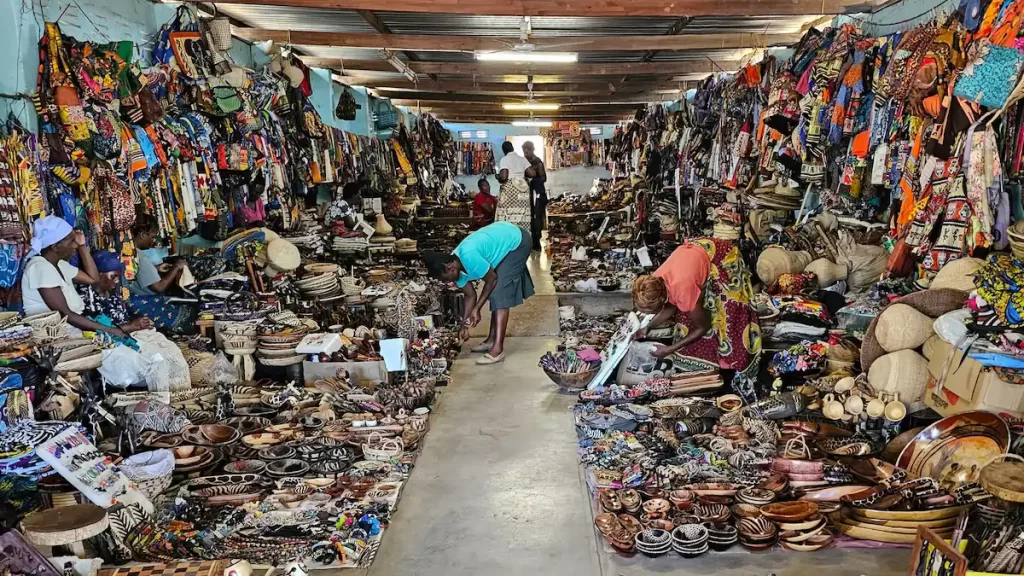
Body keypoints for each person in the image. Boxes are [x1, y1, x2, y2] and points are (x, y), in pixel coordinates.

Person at [631, 238, 761, 374]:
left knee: (728, 314)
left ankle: (733, 364)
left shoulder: (682, 288)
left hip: (723, 257)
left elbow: (703, 327)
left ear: (661, 299)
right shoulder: (654, 282)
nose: (651, 314)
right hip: (698, 254)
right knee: (689, 313)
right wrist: (648, 327)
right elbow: (671, 304)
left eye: (652, 311)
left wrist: (669, 349)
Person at [423, 221, 534, 365]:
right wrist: (464, 325)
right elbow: (470, 295)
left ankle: (497, 350)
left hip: (518, 241)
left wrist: (477, 309)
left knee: (499, 294)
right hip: (504, 238)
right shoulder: (455, 265)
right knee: (494, 294)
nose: (447, 282)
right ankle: (491, 340)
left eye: (445, 279)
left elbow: (491, 280)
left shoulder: (468, 257)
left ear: (450, 268)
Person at [20, 216, 130, 339]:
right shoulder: (40, 267)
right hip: (54, 336)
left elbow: (93, 278)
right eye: (72, 241)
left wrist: (82, 247)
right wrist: (111, 331)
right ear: (55, 246)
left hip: (71, 331)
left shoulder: (61, 265)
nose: (75, 245)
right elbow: (65, 314)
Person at [127, 215, 198, 334]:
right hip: (144, 306)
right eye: (153, 237)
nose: (154, 241)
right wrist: (177, 266)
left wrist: (155, 269)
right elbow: (159, 287)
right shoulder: (139, 256)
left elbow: (133, 273)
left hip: (134, 304)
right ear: (143, 234)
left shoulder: (128, 252)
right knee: (191, 314)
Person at [78, 251, 154, 333]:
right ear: (98, 274)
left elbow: (122, 320)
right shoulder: (85, 297)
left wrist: (141, 323)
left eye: (118, 276)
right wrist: (130, 326)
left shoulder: (113, 293)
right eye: (113, 276)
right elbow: (94, 332)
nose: (117, 281)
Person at [495, 142, 532, 233]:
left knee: (508, 214)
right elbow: (532, 173)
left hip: (511, 189)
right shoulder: (522, 159)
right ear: (512, 148)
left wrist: (498, 176)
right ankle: (523, 234)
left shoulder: (505, 159)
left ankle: (509, 234)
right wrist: (521, 175)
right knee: (522, 213)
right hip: (523, 189)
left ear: (504, 151)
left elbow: (504, 177)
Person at [522, 141, 547, 250]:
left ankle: (537, 242)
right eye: (524, 151)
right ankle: (532, 241)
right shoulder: (524, 161)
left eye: (527, 151)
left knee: (537, 217)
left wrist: (533, 180)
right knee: (530, 217)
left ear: (532, 150)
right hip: (528, 193)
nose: (525, 153)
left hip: (538, 193)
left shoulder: (538, 162)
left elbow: (544, 178)